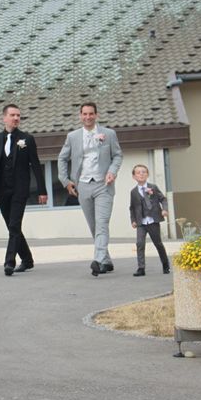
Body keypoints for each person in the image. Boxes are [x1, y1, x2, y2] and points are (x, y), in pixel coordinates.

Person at [0, 104, 47, 276]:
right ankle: (27, 259)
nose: (16, 118)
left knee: (14, 225)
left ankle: (9, 262)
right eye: (12, 115)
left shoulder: (27, 139)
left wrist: (43, 191)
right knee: (12, 227)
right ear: (4, 118)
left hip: (20, 189)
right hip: (1, 189)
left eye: (18, 115)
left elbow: (36, 166)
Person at [57, 102, 123, 277]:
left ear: (96, 115)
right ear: (80, 116)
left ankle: (98, 260)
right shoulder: (73, 136)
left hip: (104, 185)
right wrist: (65, 181)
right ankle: (106, 261)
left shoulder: (109, 134)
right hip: (83, 186)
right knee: (94, 226)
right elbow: (62, 159)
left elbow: (117, 155)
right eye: (84, 114)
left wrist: (112, 171)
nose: (88, 117)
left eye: (91, 114)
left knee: (102, 224)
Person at [129, 164, 171, 276]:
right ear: (134, 176)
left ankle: (165, 264)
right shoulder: (133, 192)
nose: (141, 174)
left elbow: (163, 199)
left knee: (158, 243)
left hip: (153, 220)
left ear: (147, 174)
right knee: (140, 243)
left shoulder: (153, 187)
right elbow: (132, 207)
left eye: (144, 172)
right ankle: (141, 268)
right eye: (138, 172)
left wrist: (164, 210)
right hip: (141, 222)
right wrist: (133, 220)